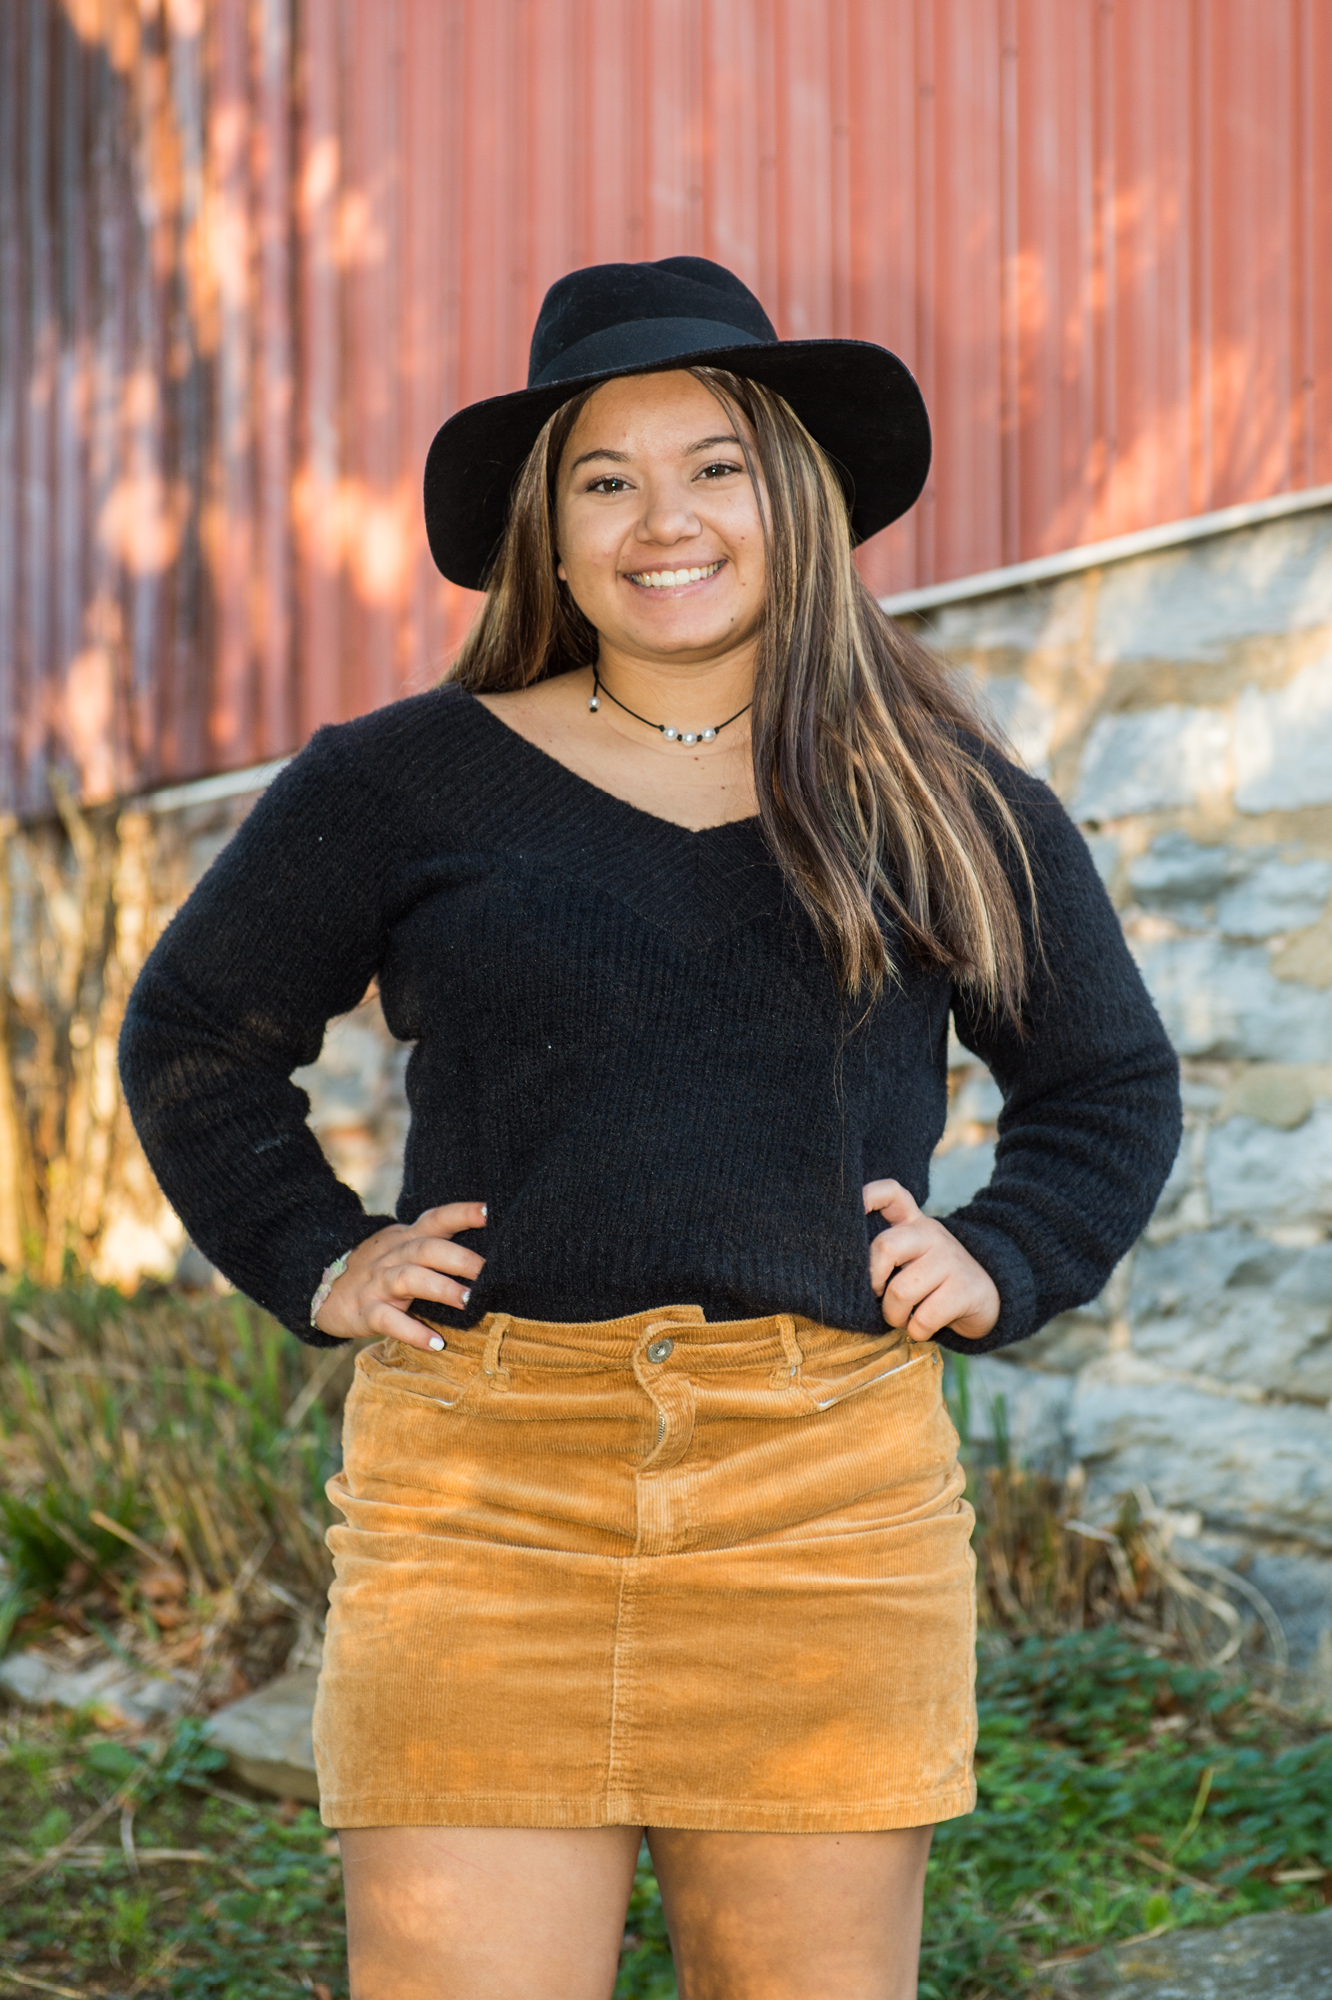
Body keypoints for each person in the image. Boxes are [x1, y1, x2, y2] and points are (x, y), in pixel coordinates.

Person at [120, 256, 1181, 2000]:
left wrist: (1006, 1254)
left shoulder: (935, 789)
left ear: (798, 496)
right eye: (605, 480)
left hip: (825, 1503)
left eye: (716, 466)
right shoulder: (396, 779)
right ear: (547, 535)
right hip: (481, 1501)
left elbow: (1104, 1080)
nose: (663, 520)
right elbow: (195, 1037)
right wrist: (321, 1254)